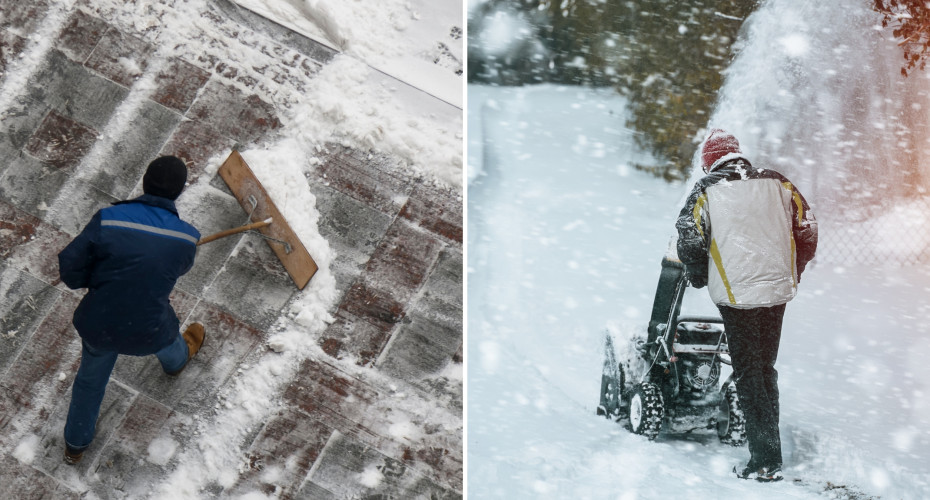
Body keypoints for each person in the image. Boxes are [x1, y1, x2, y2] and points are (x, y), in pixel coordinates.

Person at [675, 129, 818, 482]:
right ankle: (770, 451)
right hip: (776, 292)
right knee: (765, 367)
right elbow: (808, 229)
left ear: (709, 160)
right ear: (737, 154)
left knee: (748, 373)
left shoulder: (705, 189)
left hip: (736, 296)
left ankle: (765, 459)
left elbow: (689, 234)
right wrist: (794, 268)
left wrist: (695, 272)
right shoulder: (778, 182)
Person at [57, 155, 206, 465]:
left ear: (144, 182)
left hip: (100, 321)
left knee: (90, 381)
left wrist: (97, 282)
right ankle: (177, 362)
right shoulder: (186, 237)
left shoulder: (109, 219)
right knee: (167, 330)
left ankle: (75, 445)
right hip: (148, 328)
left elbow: (70, 268)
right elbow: (179, 268)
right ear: (179, 192)